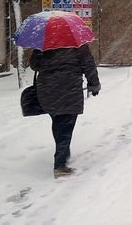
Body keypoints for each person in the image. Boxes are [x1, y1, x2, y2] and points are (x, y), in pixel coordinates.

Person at [30, 44, 101, 178]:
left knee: (58, 121)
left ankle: (63, 152)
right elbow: (88, 64)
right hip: (69, 87)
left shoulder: (43, 44)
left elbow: (34, 65)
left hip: (47, 89)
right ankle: (60, 163)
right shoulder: (77, 44)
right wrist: (93, 84)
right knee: (66, 124)